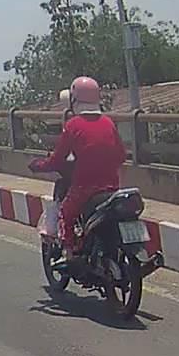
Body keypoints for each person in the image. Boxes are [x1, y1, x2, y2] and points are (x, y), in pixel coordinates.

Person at [28, 76, 126, 267]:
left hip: (85, 187)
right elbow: (121, 155)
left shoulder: (73, 125)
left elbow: (57, 160)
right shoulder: (108, 122)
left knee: (65, 212)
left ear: (74, 100)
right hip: (111, 186)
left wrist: (39, 165)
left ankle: (69, 253)